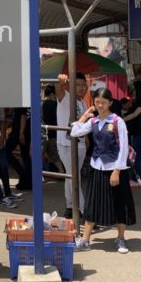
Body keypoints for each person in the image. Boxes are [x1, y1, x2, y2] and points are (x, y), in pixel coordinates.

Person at [71, 87, 136, 254]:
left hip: (115, 168)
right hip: (97, 167)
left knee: (119, 203)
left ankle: (120, 238)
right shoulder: (94, 122)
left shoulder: (117, 121)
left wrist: (117, 170)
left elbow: (123, 147)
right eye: (97, 102)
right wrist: (85, 115)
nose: (100, 105)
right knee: (92, 204)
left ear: (110, 103)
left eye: (103, 102)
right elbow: (75, 131)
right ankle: (85, 240)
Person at [55, 72, 89, 219]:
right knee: (75, 178)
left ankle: (70, 206)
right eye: (78, 85)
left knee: (71, 177)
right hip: (66, 144)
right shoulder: (66, 97)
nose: (81, 88)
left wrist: (86, 138)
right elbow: (59, 90)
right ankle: (86, 212)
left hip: (80, 144)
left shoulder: (83, 103)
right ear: (71, 85)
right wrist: (61, 82)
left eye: (83, 85)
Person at [42, 85, 64, 173]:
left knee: (51, 155)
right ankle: (62, 172)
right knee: (55, 155)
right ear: (52, 94)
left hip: (47, 133)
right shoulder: (55, 105)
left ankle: (61, 172)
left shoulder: (44, 104)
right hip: (55, 133)